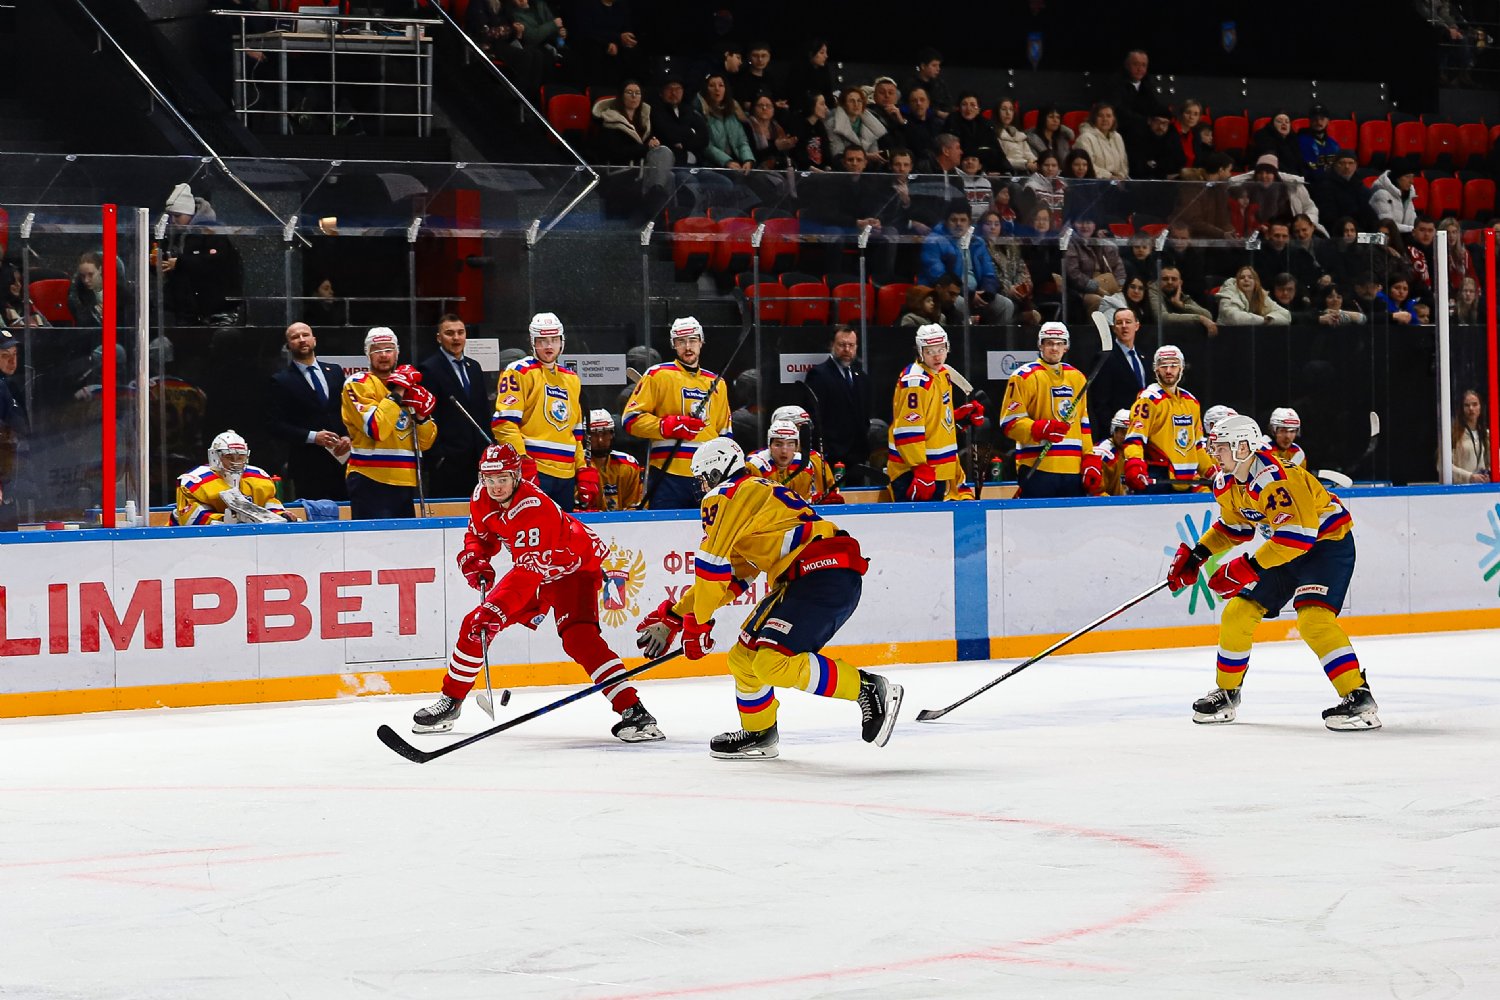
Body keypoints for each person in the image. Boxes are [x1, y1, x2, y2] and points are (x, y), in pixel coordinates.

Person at [632, 437, 900, 759]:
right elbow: (733, 578)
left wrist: (698, 624)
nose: (702, 488)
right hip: (811, 576)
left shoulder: (726, 494)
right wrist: (675, 616)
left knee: (772, 663)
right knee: (743, 657)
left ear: (716, 472)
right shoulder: (751, 495)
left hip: (821, 573)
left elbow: (710, 568)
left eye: (703, 478)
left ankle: (867, 688)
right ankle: (760, 733)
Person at [412, 443, 664, 742]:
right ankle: (451, 701)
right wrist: (474, 557)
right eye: (489, 479)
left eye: (502, 479)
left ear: (516, 476)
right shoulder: (482, 496)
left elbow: (526, 577)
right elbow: (480, 536)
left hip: (573, 570)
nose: (495, 486)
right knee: (474, 625)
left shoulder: (534, 508)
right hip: (537, 571)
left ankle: (635, 711)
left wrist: (497, 610)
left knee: (580, 640)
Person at [1169, 414, 1379, 731]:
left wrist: (1246, 567)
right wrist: (1198, 554)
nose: (1214, 454)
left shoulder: (1276, 479)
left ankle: (1358, 697)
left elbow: (1299, 537)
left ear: (1242, 447)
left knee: (1313, 620)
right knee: (1238, 612)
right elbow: (1235, 528)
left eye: (1220, 447)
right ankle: (1227, 693)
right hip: (1284, 548)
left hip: (1326, 548)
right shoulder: (1227, 482)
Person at [622, 316, 733, 510]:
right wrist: (666, 426)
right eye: (681, 341)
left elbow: (725, 434)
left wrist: (725, 472)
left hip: (706, 476)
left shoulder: (717, 383)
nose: (687, 347)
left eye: (692, 340)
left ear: (701, 342)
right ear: (673, 344)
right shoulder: (657, 375)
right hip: (667, 474)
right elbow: (630, 420)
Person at [490, 312, 586, 512]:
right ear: (533, 342)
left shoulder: (572, 379)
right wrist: (521, 460)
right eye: (542, 340)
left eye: (554, 340)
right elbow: (504, 423)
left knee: (563, 530)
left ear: (562, 341)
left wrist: (582, 468)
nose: (549, 346)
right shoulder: (518, 371)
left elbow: (576, 432)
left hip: (567, 473)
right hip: (535, 469)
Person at [341, 327, 438, 520]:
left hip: (406, 481)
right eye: (377, 350)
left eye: (389, 349)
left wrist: (422, 417)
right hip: (370, 478)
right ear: (368, 354)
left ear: (397, 353)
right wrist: (398, 391)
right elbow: (376, 428)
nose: (384, 355)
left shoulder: (411, 386)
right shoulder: (358, 383)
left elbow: (425, 443)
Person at [999, 321, 1101, 498]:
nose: (1054, 348)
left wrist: (1089, 458)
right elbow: (1009, 423)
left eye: (1059, 343)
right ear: (1040, 345)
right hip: (1037, 467)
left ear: (1066, 347)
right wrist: (1039, 429)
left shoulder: (1077, 377)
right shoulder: (1024, 376)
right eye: (1049, 343)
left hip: (1073, 469)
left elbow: (1083, 425)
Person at [887, 324, 980, 502]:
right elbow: (908, 428)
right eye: (930, 351)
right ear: (920, 352)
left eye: (941, 349)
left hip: (936, 471)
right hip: (914, 473)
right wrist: (920, 468)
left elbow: (932, 418)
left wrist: (958, 417)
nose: (937, 356)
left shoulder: (942, 374)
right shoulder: (915, 382)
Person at [266, 321, 351, 503]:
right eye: (295, 337)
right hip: (307, 465)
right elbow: (275, 424)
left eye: (305, 335)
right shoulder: (281, 380)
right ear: (288, 345)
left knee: (347, 510)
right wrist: (313, 437)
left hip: (342, 460)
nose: (302, 339)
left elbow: (347, 410)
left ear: (314, 340)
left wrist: (348, 436)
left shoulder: (335, 372)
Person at [418, 313, 493, 501]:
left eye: (461, 332)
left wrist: (489, 450)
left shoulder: (474, 367)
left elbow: (483, 411)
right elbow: (428, 415)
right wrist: (438, 457)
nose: (456, 338)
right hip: (448, 463)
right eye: (450, 333)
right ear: (439, 338)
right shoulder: (429, 369)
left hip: (478, 461)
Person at [1121, 344, 1214, 493]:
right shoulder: (1148, 399)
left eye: (1174, 365)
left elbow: (1197, 446)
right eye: (1163, 366)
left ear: (1181, 368)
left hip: (1188, 480)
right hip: (1158, 477)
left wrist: (1212, 472)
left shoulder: (1191, 402)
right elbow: (1134, 440)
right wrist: (1135, 464)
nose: (1169, 370)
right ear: (1156, 369)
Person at [159, 183, 243, 326]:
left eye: (178, 216)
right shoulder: (173, 236)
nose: (173, 221)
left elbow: (215, 263)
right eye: (171, 216)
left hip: (215, 306)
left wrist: (180, 263)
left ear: (191, 214)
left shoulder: (212, 233)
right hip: (185, 307)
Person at [918, 201, 1012, 325]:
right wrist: (969, 294)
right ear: (946, 222)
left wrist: (986, 293)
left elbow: (989, 273)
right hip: (946, 294)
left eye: (963, 220)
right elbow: (939, 277)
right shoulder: (933, 241)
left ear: (969, 223)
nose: (959, 224)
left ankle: (994, 337)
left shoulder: (977, 242)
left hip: (976, 294)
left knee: (1005, 305)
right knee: (961, 304)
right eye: (954, 220)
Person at [170, 429, 291, 525]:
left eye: (240, 457)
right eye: (229, 457)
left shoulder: (259, 478)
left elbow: (269, 504)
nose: (235, 462)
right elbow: (189, 519)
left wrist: (281, 515)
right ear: (215, 457)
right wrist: (225, 520)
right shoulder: (194, 481)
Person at [802, 325, 873, 484]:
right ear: (832, 345)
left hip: (857, 458)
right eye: (842, 345)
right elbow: (815, 418)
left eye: (851, 345)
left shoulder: (862, 377)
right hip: (832, 457)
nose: (847, 349)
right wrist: (825, 451)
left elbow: (865, 416)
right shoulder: (819, 375)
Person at [1087, 305, 1151, 438]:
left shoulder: (1143, 357)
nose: (1124, 326)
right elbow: (1100, 401)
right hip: (1118, 433)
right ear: (1114, 328)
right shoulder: (1105, 357)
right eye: (1119, 323)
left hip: (1144, 429)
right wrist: (1111, 432)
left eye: (1128, 322)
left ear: (1137, 326)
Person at [747, 418, 843, 503]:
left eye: (790, 444)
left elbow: (802, 505)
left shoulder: (804, 465)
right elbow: (754, 504)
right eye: (778, 444)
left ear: (797, 447)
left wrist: (812, 501)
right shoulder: (756, 465)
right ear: (769, 445)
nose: (784, 451)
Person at [579, 409, 642, 510]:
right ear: (586, 437)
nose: (600, 440)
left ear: (612, 434)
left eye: (604, 433)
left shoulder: (629, 466)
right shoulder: (577, 465)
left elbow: (634, 507)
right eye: (594, 434)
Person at [1062, 216, 1125, 316]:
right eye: (1080, 222)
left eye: (1088, 222)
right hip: (1082, 290)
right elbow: (1073, 273)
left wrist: (1119, 284)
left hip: (1107, 286)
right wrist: (1096, 288)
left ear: (1095, 225)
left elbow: (1117, 263)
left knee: (1122, 301)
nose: (1084, 226)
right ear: (1074, 224)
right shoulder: (1070, 243)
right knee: (1100, 302)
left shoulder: (1101, 241)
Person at [1149, 265, 1217, 336]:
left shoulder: (1180, 295)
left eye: (1174, 279)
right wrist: (1199, 318)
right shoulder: (1153, 291)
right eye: (1165, 279)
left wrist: (1181, 305)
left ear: (1180, 283)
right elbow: (1163, 319)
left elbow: (1208, 315)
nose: (1170, 282)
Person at [828, 86, 888, 167]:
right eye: (851, 101)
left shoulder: (871, 124)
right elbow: (837, 155)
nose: (856, 104)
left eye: (859, 101)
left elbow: (874, 152)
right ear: (844, 105)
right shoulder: (833, 124)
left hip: (866, 167)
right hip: (843, 167)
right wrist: (867, 156)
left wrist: (876, 157)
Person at [1218, 266, 1291, 326]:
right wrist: (1263, 320)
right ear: (1237, 282)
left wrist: (1269, 319)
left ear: (1256, 283)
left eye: (1250, 277)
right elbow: (1234, 317)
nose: (1246, 279)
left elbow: (1286, 314)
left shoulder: (1261, 295)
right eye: (1242, 277)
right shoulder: (1228, 292)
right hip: (1227, 333)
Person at [1074, 103, 1130, 181]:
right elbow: (1088, 166)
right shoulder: (1085, 138)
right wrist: (1110, 176)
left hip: (1118, 182)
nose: (1105, 119)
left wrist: (1121, 177)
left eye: (1108, 116)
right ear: (1093, 118)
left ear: (1113, 119)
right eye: (1100, 116)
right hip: (1096, 183)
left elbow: (1124, 164)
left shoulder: (1117, 137)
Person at [902, 47, 953, 119]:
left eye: (939, 65)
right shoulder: (910, 84)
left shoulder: (940, 84)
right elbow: (905, 107)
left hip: (939, 121)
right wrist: (936, 113)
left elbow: (948, 104)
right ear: (923, 66)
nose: (938, 69)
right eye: (934, 65)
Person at [1452, 389, 1491, 484]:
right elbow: (1442, 466)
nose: (1471, 408)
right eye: (1467, 405)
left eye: (1475, 404)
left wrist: (1489, 474)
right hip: (1461, 488)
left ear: (1480, 407)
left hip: (1483, 487)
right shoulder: (1453, 434)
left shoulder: (1486, 435)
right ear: (1462, 409)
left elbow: (1496, 461)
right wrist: (1469, 476)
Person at [1369, 159, 1419, 233]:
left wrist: (1418, 229)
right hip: (1384, 236)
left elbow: (1413, 222)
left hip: (1402, 235)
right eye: (1407, 177)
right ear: (1397, 178)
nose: (1411, 181)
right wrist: (1414, 229)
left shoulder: (1408, 195)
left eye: (1412, 177)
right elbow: (1388, 226)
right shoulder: (1381, 194)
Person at [1297, 105, 1342, 177]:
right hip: (1310, 181)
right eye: (1315, 119)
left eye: (1322, 119)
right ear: (1310, 121)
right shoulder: (1301, 141)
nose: (1318, 122)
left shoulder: (1333, 144)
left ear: (1328, 121)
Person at [1093, 408, 1131, 496]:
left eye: (1130, 433)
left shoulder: (1136, 453)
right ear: (1114, 430)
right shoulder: (1103, 454)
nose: (1126, 437)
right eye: (1123, 432)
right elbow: (1094, 492)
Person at [994, 98, 1034, 173]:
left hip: (1025, 172)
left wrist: (1036, 163)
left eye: (1011, 109)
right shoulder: (993, 134)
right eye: (1004, 109)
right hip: (1007, 173)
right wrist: (1025, 164)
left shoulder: (1019, 134)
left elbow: (1029, 155)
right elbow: (1001, 160)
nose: (1008, 113)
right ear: (997, 112)